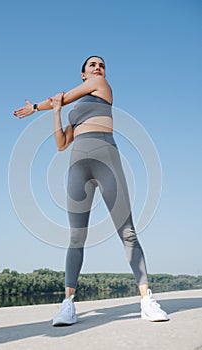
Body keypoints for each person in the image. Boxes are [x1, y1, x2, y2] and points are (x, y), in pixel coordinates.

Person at [14, 55, 169, 325]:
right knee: (76, 237)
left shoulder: (101, 86)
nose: (98, 68)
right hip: (77, 168)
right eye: (92, 66)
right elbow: (61, 144)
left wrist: (39, 106)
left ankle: (146, 300)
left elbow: (62, 96)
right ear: (83, 73)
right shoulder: (76, 108)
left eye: (102, 65)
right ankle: (67, 304)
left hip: (107, 162)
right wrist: (56, 112)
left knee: (128, 232)